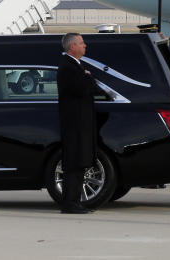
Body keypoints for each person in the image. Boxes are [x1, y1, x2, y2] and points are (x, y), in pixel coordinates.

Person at [56, 33, 100, 214]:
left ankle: (75, 200)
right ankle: (70, 202)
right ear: (72, 46)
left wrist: (87, 76)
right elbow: (84, 88)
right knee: (73, 163)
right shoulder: (68, 67)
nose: (85, 46)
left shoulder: (77, 65)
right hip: (74, 125)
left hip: (80, 123)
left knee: (79, 162)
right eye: (81, 43)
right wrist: (88, 77)